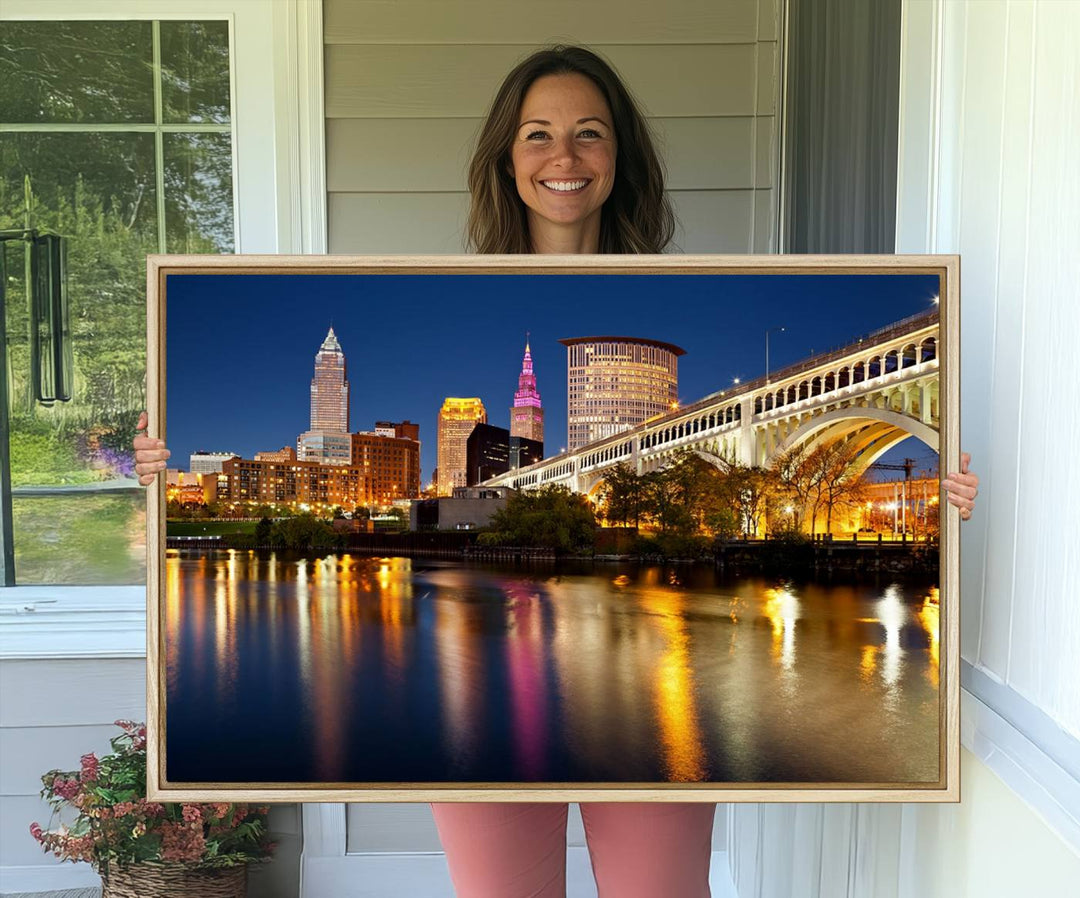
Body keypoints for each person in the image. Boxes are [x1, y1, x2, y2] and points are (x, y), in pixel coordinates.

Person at [134, 45, 980, 898]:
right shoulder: (453, 291)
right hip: (509, 720)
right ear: (507, 158)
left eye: (589, 134)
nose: (564, 157)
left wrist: (949, 505)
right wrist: (159, 470)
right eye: (538, 135)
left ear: (620, 159)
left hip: (645, 711)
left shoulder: (684, 285)